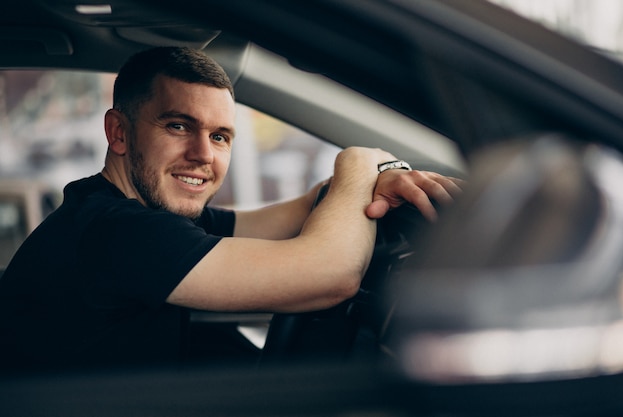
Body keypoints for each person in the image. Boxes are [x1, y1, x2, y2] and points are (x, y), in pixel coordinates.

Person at [0, 47, 461, 371]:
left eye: (220, 136)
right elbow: (329, 276)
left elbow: (304, 211)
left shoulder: (137, 214)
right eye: (179, 126)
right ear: (119, 134)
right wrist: (362, 159)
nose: (204, 154)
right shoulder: (118, 233)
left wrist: (379, 178)